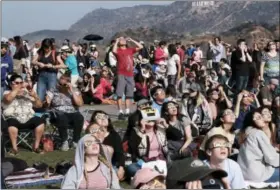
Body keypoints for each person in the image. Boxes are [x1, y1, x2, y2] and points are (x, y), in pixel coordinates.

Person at [2, 74, 45, 155]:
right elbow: (8, 99)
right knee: (11, 122)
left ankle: (36, 147)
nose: (20, 85)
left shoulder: (27, 93)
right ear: (11, 84)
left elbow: (39, 105)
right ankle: (14, 148)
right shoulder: (7, 92)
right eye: (17, 83)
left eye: (21, 82)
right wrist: (18, 88)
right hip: (13, 118)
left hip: (28, 118)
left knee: (40, 121)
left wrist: (35, 95)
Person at [238, 109, 279, 183]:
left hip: (244, 173)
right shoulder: (258, 133)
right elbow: (271, 158)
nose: (262, 119)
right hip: (258, 174)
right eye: (259, 117)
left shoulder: (244, 133)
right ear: (252, 120)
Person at [45, 73, 84, 151]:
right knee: (61, 116)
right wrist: (47, 102)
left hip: (72, 112)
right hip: (57, 113)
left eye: (66, 81)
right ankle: (64, 141)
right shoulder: (53, 89)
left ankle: (75, 142)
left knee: (79, 117)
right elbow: (47, 104)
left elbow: (79, 104)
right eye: (61, 80)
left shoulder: (75, 90)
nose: (63, 82)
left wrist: (72, 91)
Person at [127, 107, 169, 178]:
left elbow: (178, 135)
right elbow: (132, 148)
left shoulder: (160, 128)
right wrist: (142, 129)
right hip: (145, 162)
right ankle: (157, 174)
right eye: (148, 117)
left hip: (161, 160)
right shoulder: (136, 130)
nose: (150, 119)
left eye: (152, 117)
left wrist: (166, 125)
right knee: (131, 168)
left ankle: (152, 175)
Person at [89, 111, 126, 180]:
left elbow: (120, 154)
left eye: (105, 117)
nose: (103, 119)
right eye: (99, 117)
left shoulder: (114, 135)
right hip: (94, 164)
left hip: (111, 164)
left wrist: (121, 168)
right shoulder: (91, 135)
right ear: (94, 121)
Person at [112, 37, 143, 120]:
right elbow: (113, 51)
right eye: (121, 39)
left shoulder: (130, 50)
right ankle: (120, 112)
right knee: (119, 93)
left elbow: (141, 47)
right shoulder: (118, 50)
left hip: (130, 74)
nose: (123, 39)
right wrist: (117, 40)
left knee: (129, 93)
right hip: (121, 74)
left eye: (124, 39)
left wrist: (132, 40)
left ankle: (127, 111)